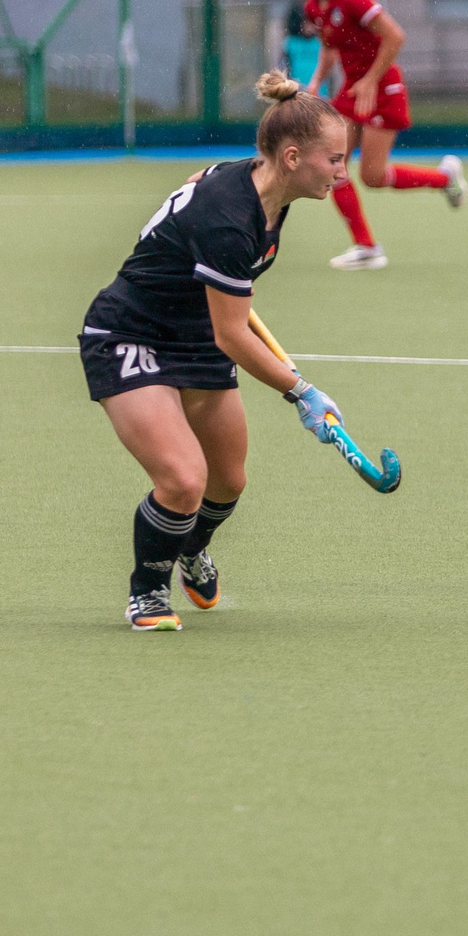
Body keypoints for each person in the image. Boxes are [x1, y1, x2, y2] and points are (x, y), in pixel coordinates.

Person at [79, 75, 356, 631]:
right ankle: (147, 591)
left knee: (228, 481)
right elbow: (233, 335)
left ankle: (189, 545)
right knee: (184, 479)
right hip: (130, 333)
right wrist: (299, 391)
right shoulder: (230, 219)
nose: (342, 173)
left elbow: (202, 177)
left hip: (193, 334)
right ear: (294, 156)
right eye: (335, 160)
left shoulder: (267, 187)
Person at [297, 0, 467, 270]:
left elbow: (395, 36)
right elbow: (331, 47)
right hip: (353, 90)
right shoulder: (314, 7)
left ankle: (445, 179)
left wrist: (371, 81)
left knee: (372, 176)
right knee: (334, 165)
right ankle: (366, 246)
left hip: (383, 87)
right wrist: (317, 80)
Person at [283, 0, 324, 91]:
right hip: (297, 93)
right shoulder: (290, 42)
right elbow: (284, 67)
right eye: (306, 23)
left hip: (320, 94)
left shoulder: (321, 42)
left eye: (312, 22)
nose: (310, 27)